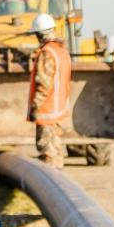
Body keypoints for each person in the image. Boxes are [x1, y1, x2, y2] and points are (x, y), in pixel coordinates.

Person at [28, 13, 72, 169]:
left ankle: (50, 181)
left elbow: (43, 83)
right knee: (56, 149)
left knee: (47, 152)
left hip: (46, 110)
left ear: (39, 35)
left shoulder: (47, 54)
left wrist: (35, 106)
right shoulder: (62, 52)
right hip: (58, 109)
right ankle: (58, 180)